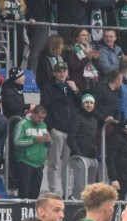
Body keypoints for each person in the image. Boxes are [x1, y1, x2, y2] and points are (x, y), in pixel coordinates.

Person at [39, 62, 79, 196]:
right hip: (57, 130)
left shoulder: (71, 87)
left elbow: (81, 104)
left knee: (68, 164)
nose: (62, 74)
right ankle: (53, 191)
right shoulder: (48, 88)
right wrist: (51, 128)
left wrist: (76, 90)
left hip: (70, 130)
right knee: (54, 162)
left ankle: (66, 192)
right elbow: (45, 108)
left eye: (64, 71)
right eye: (59, 71)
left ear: (67, 72)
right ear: (55, 73)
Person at [12, 105, 51, 200]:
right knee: (24, 193)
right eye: (39, 117)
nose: (41, 120)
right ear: (33, 114)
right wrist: (33, 140)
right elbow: (16, 141)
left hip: (39, 164)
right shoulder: (22, 124)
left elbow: (47, 145)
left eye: (43, 118)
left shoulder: (43, 125)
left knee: (35, 194)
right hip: (25, 162)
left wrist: (49, 141)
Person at [67, 94, 100, 199]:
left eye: (91, 103)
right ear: (82, 104)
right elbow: (71, 138)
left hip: (92, 156)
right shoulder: (77, 118)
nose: (89, 105)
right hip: (81, 157)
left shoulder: (94, 120)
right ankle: (76, 205)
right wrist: (78, 154)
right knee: (80, 187)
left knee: (90, 189)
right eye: (86, 102)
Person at [105, 117, 127, 198]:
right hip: (121, 180)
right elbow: (110, 158)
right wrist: (113, 179)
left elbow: (126, 159)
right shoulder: (116, 138)